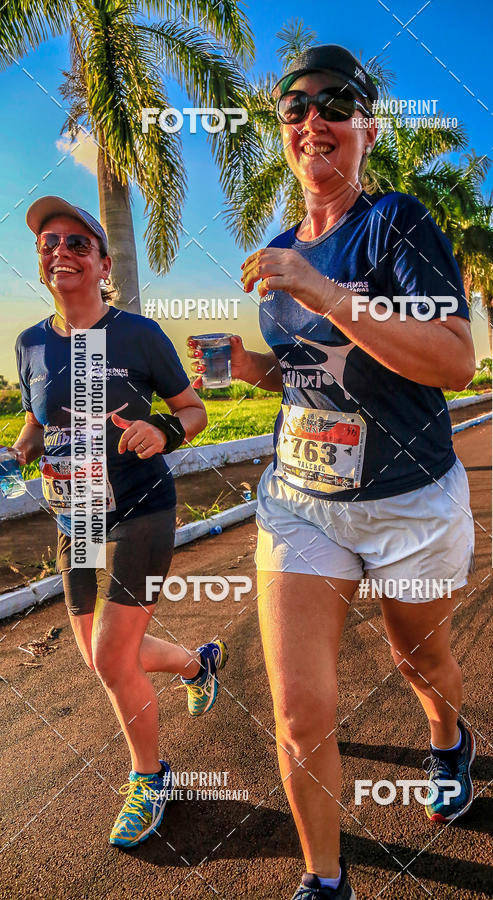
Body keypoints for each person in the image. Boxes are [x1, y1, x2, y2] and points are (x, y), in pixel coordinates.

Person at [192, 45, 477, 900]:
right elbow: (313, 377)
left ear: (364, 126)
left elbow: (455, 360)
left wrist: (325, 294)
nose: (313, 118)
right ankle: (325, 881)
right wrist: (253, 368)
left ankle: (448, 739)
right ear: (283, 128)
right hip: (303, 502)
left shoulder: (396, 223)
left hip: (408, 500)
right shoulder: (280, 251)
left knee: (419, 664)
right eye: (294, 106)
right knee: (300, 710)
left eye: (335, 103)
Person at [12, 196, 228, 849]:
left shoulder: (138, 335)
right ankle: (196, 665)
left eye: (78, 243)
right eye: (50, 242)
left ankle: (150, 776)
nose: (61, 251)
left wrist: (161, 430)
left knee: (111, 656)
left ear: (104, 264)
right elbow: (35, 419)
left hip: (139, 506)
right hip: (74, 514)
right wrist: (18, 450)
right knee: (100, 658)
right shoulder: (30, 343)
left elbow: (193, 411)